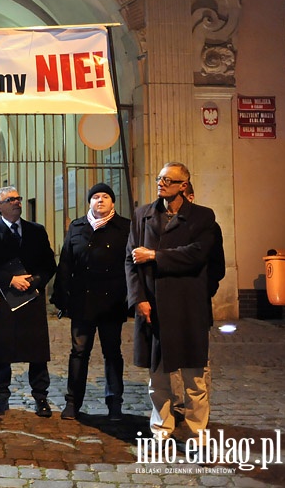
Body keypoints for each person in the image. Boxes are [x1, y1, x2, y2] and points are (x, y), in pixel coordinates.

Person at [126, 162, 218, 442]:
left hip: (188, 305)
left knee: (194, 375)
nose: (161, 183)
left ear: (183, 185)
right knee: (159, 376)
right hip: (153, 305)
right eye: (159, 178)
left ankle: (197, 430)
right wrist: (138, 299)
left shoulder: (202, 217)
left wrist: (155, 256)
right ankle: (161, 426)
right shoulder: (143, 215)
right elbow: (130, 261)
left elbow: (197, 254)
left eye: (168, 180)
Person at [51, 183, 130, 421]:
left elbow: (130, 265)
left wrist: (130, 296)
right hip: (82, 301)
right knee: (79, 352)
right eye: (96, 197)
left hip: (112, 301)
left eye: (105, 196)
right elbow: (66, 262)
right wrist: (61, 296)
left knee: (112, 352)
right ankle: (73, 402)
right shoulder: (77, 227)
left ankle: (114, 403)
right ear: (89, 202)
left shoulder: (124, 227)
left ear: (113, 202)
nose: (100, 200)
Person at [0, 185, 57, 418]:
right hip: (4, 298)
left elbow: (49, 264)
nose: (17, 202)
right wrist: (10, 279)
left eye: (18, 198)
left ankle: (41, 397)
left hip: (32, 297)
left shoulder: (37, 231)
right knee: (2, 349)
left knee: (36, 349)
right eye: (10, 200)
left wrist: (36, 281)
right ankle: (1, 396)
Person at [168, 180, 225, 422]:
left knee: (198, 360)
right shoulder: (165, 225)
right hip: (170, 300)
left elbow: (216, 267)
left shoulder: (209, 226)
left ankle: (197, 408)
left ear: (191, 197)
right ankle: (175, 404)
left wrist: (202, 290)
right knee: (169, 359)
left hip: (196, 302)